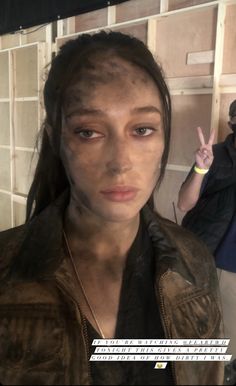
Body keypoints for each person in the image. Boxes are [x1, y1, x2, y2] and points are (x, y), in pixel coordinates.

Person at [0, 31, 224, 385]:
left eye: (142, 129)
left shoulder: (194, 261)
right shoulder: (7, 271)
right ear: (55, 140)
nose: (120, 163)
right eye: (89, 132)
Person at [178, 100, 236, 372]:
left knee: (227, 339)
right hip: (202, 255)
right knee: (188, 324)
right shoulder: (213, 155)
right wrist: (201, 168)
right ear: (232, 121)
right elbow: (184, 204)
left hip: (234, 269)